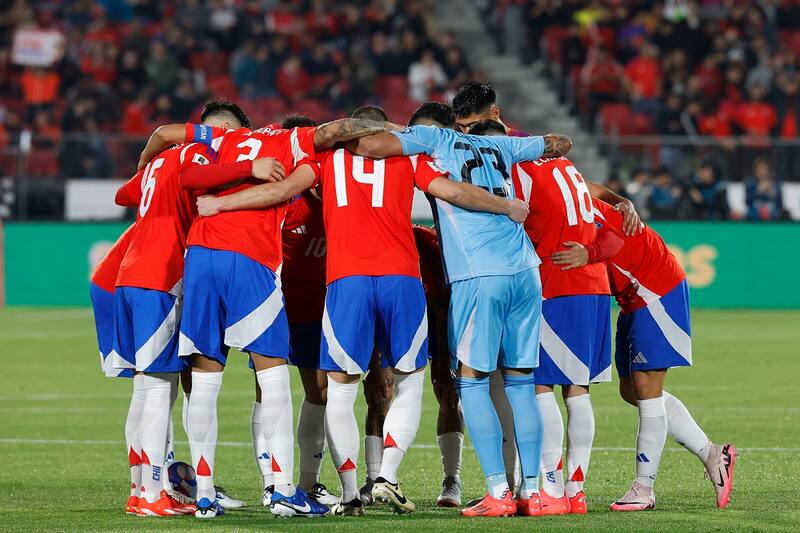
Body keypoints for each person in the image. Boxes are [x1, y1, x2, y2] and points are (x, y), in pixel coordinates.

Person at [138, 113, 395, 518]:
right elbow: (331, 135)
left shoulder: (227, 140)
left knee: (205, 380)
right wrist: (392, 130)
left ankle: (204, 496)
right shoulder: (298, 145)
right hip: (250, 259)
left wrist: (239, 174)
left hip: (200, 255)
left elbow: (188, 177)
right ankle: (283, 490)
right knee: (273, 377)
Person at [348, 116, 571, 517]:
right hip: (526, 270)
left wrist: (398, 132)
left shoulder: (435, 140)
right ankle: (533, 492)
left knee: (471, 382)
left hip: (479, 272)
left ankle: (498, 493)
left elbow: (369, 147)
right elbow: (560, 142)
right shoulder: (503, 144)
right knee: (522, 383)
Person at [109, 100, 257, 517]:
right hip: (161, 278)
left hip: (129, 276)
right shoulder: (199, 153)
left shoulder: (162, 161)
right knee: (160, 389)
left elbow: (123, 194)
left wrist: (149, 164)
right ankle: (154, 493)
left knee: (144, 388)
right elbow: (199, 173)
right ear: (223, 130)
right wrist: (247, 168)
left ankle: (139, 491)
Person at [551, 198, 738, 512]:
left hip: (654, 288)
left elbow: (614, 238)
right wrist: (621, 201)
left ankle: (644, 488)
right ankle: (712, 454)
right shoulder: (568, 189)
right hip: (631, 296)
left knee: (646, 390)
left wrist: (591, 249)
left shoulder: (561, 192)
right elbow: (598, 192)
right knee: (631, 390)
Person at [358, 103, 465, 510]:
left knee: (446, 392)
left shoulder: (456, 165)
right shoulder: (398, 160)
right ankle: (374, 479)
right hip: (394, 297)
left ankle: (451, 480)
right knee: (379, 390)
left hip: (439, 306)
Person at [506, 129, 615, 516]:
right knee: (577, 390)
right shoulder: (564, 167)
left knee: (540, 386)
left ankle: (551, 488)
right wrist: (592, 250)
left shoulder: (520, 170)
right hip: (595, 287)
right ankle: (576, 491)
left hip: (557, 286)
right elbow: (612, 231)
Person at [452, 82, 528, 136]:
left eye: (473, 125)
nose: (467, 134)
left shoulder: (525, 145)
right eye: (462, 126)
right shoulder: (459, 149)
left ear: (494, 113)